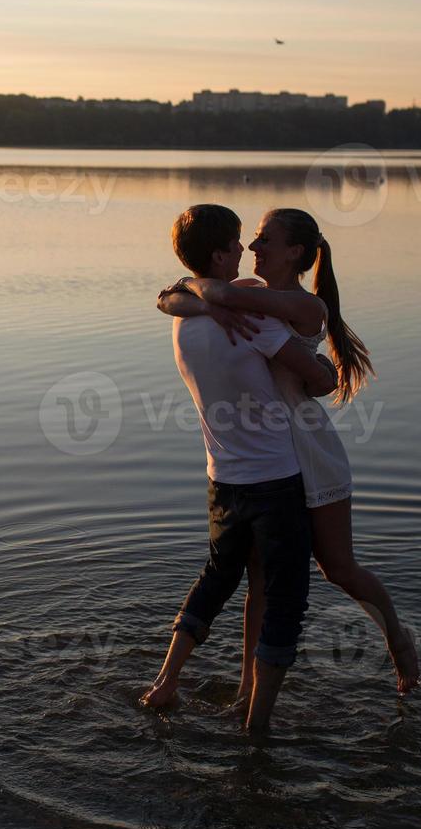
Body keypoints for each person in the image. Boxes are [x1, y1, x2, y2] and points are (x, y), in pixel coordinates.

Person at [156, 208, 420, 697]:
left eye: (263, 240)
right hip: (270, 455)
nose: (253, 248)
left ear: (295, 252)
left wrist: (198, 294)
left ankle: (398, 639)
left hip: (310, 450)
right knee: (258, 580)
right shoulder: (256, 300)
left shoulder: (307, 307)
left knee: (337, 567)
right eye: (250, 239)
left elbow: (209, 293)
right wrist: (190, 296)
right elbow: (172, 297)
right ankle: (245, 692)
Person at [141, 204, 337, 733]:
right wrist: (326, 367)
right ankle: (256, 727)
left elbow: (173, 292)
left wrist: (203, 293)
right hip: (275, 478)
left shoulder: (183, 319)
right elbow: (319, 382)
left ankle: (165, 683)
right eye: (238, 243)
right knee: (285, 597)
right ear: (221, 252)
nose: (246, 251)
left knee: (217, 577)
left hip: (221, 478)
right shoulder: (255, 322)